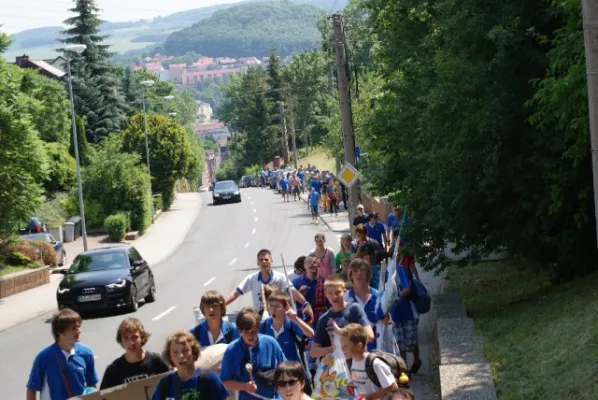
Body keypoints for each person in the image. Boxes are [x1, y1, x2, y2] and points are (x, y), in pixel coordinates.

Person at [26, 308, 99, 400]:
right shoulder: (44, 357)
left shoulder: (86, 354)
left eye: (78, 327)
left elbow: (91, 384)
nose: (79, 331)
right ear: (60, 332)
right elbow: (32, 389)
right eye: (73, 328)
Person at [225, 249, 314, 321]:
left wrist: (305, 303)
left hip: (278, 317)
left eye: (266, 259)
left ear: (271, 260)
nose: (264, 262)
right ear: (257, 263)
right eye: (261, 260)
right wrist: (222, 304)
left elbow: (293, 291)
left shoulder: (280, 278)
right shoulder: (251, 278)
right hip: (259, 318)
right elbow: (236, 293)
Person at [220, 308, 287, 400]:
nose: (250, 336)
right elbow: (225, 381)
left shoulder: (271, 343)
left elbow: (285, 369)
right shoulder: (231, 350)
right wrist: (245, 386)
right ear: (240, 330)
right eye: (246, 332)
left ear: (258, 329)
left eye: (254, 331)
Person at [310, 275, 374, 359]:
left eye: (338, 292)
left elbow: (370, 336)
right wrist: (334, 348)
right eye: (330, 293)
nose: (334, 297)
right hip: (340, 367)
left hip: (359, 361)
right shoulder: (324, 319)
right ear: (325, 294)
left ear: (344, 291)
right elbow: (313, 352)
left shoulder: (354, 309)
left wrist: (341, 332)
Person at [152, 331, 229, 400]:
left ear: (193, 352)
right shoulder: (165, 383)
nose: (181, 356)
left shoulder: (210, 379)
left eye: (185, 350)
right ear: (170, 357)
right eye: (175, 352)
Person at [101, 318, 170, 390]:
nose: (131, 343)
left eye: (134, 337)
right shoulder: (114, 370)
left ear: (142, 337)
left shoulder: (156, 361)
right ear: (121, 340)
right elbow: (103, 396)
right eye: (126, 338)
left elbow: (172, 385)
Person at [340, 324, 398, 400]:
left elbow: (393, 387)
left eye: (345, 346)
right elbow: (356, 383)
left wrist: (370, 397)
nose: (342, 349)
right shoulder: (349, 362)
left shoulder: (375, 364)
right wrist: (351, 387)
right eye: (341, 345)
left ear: (359, 346)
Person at [260, 290, 314, 362]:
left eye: (278, 306)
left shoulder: (291, 323)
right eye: (271, 305)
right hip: (272, 370)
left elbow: (311, 334)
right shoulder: (263, 325)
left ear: (286, 308)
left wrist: (296, 319)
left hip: (291, 369)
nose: (273, 310)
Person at [391, 262, 422, 375]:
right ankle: (404, 371)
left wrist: (394, 296)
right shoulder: (379, 272)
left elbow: (407, 289)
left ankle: (417, 361)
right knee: (400, 345)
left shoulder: (399, 269)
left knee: (412, 341)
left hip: (408, 313)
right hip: (394, 315)